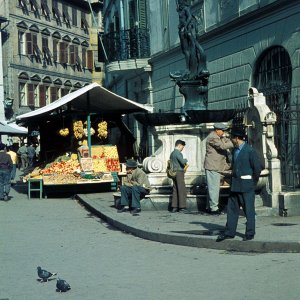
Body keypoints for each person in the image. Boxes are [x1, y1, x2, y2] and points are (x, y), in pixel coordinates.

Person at [216, 127, 262, 242]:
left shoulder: (250, 151)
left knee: (249, 210)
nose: (230, 140)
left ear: (237, 138)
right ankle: (229, 232)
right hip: (235, 185)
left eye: (232, 138)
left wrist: (252, 182)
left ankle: (250, 233)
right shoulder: (235, 150)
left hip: (246, 186)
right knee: (232, 210)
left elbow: (257, 169)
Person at [204, 123, 233, 215]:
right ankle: (214, 209)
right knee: (214, 188)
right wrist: (233, 141)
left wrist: (227, 138)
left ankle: (210, 207)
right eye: (222, 131)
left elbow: (224, 141)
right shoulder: (213, 137)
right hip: (213, 166)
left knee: (213, 188)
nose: (223, 132)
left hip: (216, 166)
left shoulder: (218, 137)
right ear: (217, 130)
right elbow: (222, 146)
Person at [170, 139, 188, 213]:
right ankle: (182, 207)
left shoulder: (172, 153)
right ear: (179, 145)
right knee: (181, 189)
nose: (182, 149)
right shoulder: (178, 153)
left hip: (173, 172)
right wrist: (186, 160)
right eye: (182, 147)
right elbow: (182, 161)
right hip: (179, 172)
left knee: (175, 189)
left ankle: (174, 207)